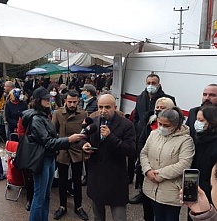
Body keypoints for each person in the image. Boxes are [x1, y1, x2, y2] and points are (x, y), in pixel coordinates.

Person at [20, 86, 85, 221]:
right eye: (45, 98)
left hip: (49, 158)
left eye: (49, 98)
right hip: (42, 159)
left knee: (46, 195)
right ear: (38, 100)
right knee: (39, 196)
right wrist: (68, 139)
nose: (49, 100)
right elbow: (48, 141)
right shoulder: (37, 118)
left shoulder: (44, 115)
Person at [82, 94, 136, 221]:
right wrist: (84, 145)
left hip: (115, 179)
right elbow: (83, 137)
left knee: (119, 217)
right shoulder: (94, 122)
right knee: (98, 216)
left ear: (115, 107)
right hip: (96, 178)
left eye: (107, 107)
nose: (103, 110)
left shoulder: (126, 125)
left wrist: (111, 136)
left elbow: (131, 150)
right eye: (100, 107)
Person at [140, 107, 195, 221]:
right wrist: (147, 171)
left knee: (170, 218)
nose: (162, 128)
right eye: (160, 124)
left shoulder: (186, 140)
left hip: (171, 190)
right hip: (151, 187)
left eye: (167, 125)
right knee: (157, 217)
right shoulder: (154, 134)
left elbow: (184, 164)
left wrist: (159, 175)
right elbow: (144, 153)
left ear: (176, 125)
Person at [130, 73, 176, 204]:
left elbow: (174, 118)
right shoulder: (140, 98)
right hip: (142, 135)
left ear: (159, 84)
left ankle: (157, 192)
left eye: (154, 83)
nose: (151, 85)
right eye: (149, 83)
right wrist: (137, 129)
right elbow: (136, 116)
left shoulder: (167, 99)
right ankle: (140, 190)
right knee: (141, 164)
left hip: (160, 136)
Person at [135, 97, 175, 221]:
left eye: (163, 108)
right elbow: (142, 145)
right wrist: (146, 168)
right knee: (148, 206)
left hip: (166, 176)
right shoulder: (149, 124)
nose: (159, 110)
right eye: (157, 107)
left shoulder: (179, 132)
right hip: (148, 170)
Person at [52, 90, 88, 220]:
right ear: (65, 101)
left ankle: (78, 207)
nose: (72, 104)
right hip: (63, 151)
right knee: (62, 181)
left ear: (78, 101)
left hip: (77, 151)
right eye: (69, 102)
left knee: (77, 181)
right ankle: (62, 206)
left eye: (74, 102)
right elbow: (52, 132)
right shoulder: (58, 113)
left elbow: (86, 132)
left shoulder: (83, 114)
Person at [190, 105, 217, 206]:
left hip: (211, 193)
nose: (197, 123)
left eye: (201, 120)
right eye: (197, 119)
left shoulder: (216, 143)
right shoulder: (198, 138)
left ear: (211, 121)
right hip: (195, 189)